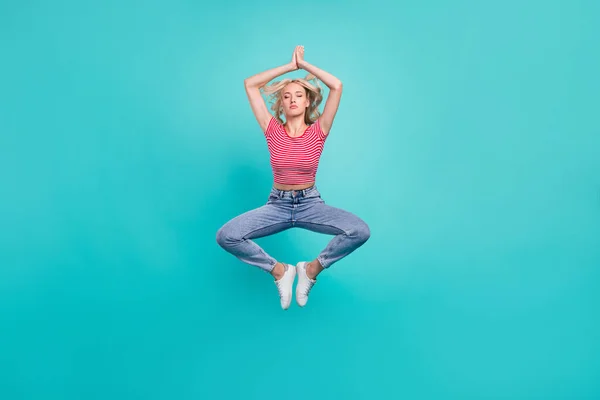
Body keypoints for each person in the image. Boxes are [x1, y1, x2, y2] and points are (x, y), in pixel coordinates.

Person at [216, 45, 370, 310]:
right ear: (282, 103)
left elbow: (337, 86)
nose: (293, 100)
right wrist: (290, 67)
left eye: (299, 95)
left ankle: (310, 270)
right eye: (287, 96)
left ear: (308, 101)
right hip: (277, 205)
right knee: (226, 236)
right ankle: (281, 272)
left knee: (359, 231)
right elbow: (250, 85)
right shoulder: (271, 128)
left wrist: (304, 66)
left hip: (310, 204)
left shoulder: (319, 130)